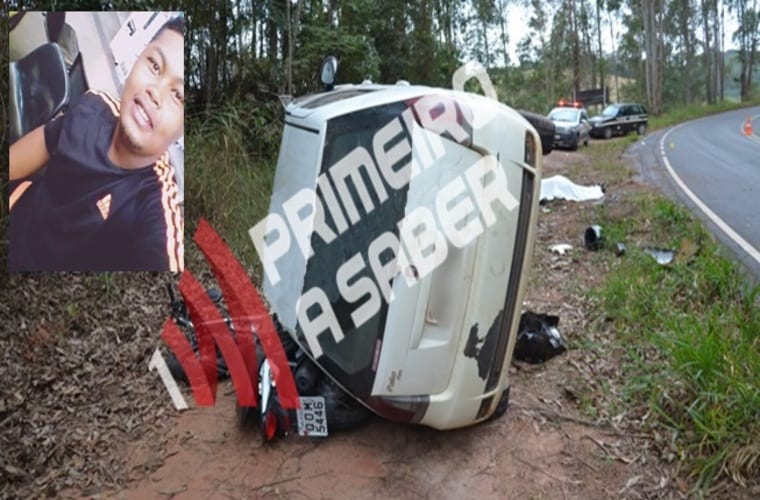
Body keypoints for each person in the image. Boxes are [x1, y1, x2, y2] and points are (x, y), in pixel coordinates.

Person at [9, 15, 185, 272]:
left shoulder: (154, 207)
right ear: (136, 60)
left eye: (178, 95)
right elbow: (32, 151)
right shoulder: (93, 106)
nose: (155, 93)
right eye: (155, 66)